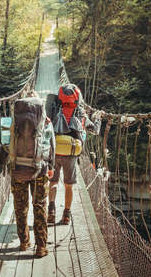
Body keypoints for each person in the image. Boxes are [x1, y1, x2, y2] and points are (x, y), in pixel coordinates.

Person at [0, 91, 56, 258]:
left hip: (17, 171)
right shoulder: (45, 122)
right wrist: (51, 166)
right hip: (39, 171)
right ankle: (41, 247)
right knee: (39, 207)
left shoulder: (11, 122)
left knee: (20, 208)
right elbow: (51, 145)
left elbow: (5, 144)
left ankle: (23, 243)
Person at [47, 84, 101, 225]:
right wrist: (98, 119)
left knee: (53, 182)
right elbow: (95, 130)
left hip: (55, 151)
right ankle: (66, 216)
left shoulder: (53, 110)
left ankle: (51, 212)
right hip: (71, 153)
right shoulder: (80, 112)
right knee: (68, 185)